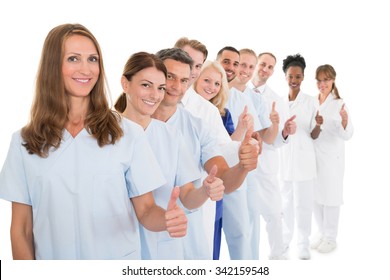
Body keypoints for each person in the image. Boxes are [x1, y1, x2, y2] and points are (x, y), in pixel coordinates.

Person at [0, 23, 188, 260]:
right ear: (52, 65)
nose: (86, 69)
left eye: (92, 59)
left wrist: (167, 220)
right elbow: (21, 230)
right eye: (73, 59)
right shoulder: (24, 142)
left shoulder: (127, 134)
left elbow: (147, 210)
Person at [114, 51, 224, 259]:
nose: (155, 95)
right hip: (117, 242)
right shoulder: (105, 134)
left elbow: (188, 197)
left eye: (160, 88)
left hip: (161, 248)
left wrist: (205, 191)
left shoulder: (171, 136)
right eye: (146, 85)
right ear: (125, 84)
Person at [152, 48, 259, 259]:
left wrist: (243, 166)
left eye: (184, 80)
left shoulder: (196, 126)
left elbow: (223, 177)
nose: (176, 86)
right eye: (169, 77)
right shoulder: (129, 123)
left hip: (186, 235)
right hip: (137, 235)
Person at [193, 60, 254, 259]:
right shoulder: (183, 108)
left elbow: (223, 148)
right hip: (199, 183)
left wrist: (243, 141)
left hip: (216, 176)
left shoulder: (219, 112)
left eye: (217, 84)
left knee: (212, 235)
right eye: (207, 80)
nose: (212, 87)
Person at [247, 52, 297, 259]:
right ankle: (248, 261)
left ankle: (279, 257)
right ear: (255, 65)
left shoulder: (275, 100)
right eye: (262, 64)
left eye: (270, 67)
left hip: (265, 164)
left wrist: (284, 130)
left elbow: (275, 140)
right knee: (246, 220)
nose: (265, 69)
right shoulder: (237, 91)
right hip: (241, 164)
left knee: (274, 214)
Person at [310, 64, 354, 253]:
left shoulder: (339, 103)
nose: (322, 84)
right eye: (319, 80)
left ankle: (331, 237)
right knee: (315, 196)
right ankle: (321, 232)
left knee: (331, 196)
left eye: (326, 80)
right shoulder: (313, 101)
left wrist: (344, 121)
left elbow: (348, 135)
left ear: (333, 80)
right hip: (313, 156)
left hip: (331, 159)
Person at [280, 53, 317, 260]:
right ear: (285, 77)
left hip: (304, 161)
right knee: (285, 203)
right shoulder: (279, 102)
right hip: (285, 160)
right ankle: (285, 241)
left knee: (303, 203)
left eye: (298, 77)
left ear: (303, 78)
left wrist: (319, 124)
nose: (294, 80)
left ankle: (303, 244)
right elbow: (277, 132)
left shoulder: (311, 102)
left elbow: (314, 133)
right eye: (291, 76)